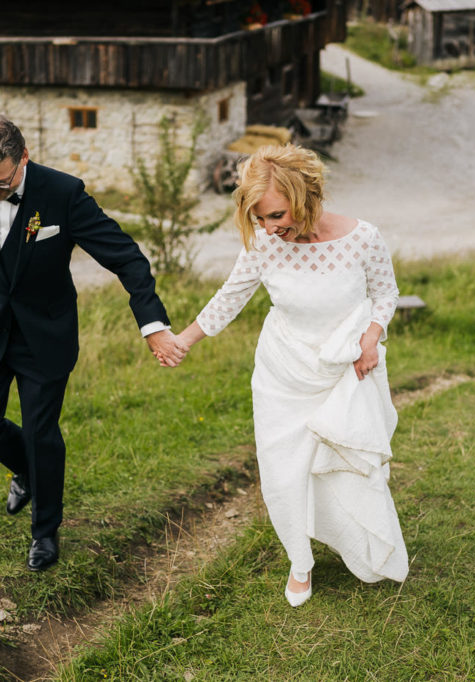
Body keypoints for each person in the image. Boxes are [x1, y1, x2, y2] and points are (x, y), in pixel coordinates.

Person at [0, 114, 185, 572]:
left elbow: (126, 257)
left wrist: (153, 325)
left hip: (46, 335)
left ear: (23, 157)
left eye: (0, 183)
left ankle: (45, 532)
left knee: (41, 434)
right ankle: (29, 471)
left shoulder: (63, 192)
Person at [174, 144, 408, 606]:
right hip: (282, 374)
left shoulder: (363, 238)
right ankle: (300, 561)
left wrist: (371, 337)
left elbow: (386, 293)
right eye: (259, 218)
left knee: (346, 465)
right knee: (283, 473)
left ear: (306, 195)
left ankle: (360, 543)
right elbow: (230, 297)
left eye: (276, 215)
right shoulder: (265, 245)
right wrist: (183, 340)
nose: (268, 228)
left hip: (345, 372)